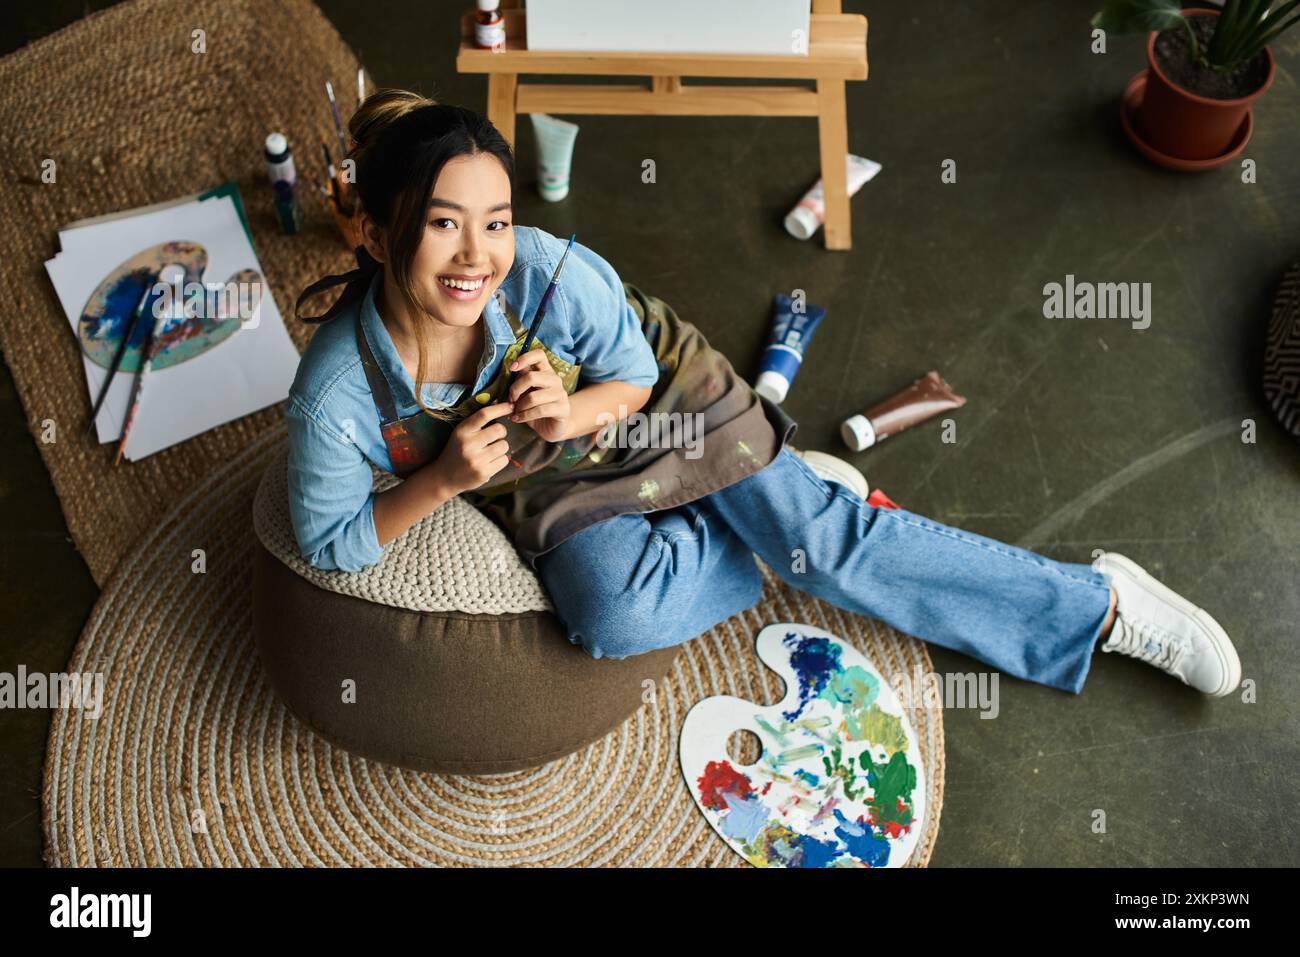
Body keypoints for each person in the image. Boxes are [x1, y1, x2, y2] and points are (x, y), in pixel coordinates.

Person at [286, 88, 1241, 700]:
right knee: (611, 621)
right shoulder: (335, 398)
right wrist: (445, 480)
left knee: (826, 546)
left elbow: (627, 369)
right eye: (442, 224)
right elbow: (329, 536)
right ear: (371, 234)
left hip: (659, 395)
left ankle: (1100, 606)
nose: (477, 256)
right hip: (547, 485)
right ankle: (781, 501)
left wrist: (567, 410)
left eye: (494, 219)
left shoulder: (543, 269)